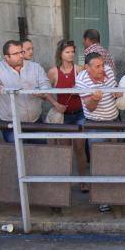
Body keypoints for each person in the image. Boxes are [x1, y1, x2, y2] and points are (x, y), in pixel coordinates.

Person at [0, 40, 53, 143]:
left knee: (40, 150)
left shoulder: (35, 67)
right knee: (18, 150)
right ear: (6, 57)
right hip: (10, 123)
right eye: (16, 53)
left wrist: (42, 91)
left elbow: (46, 84)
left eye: (21, 52)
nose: (20, 56)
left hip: (35, 121)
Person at [76, 52, 119, 212]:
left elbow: (115, 91)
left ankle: (116, 195)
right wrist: (95, 98)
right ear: (87, 68)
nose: (102, 69)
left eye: (102, 65)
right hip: (95, 124)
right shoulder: (81, 80)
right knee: (99, 162)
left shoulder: (108, 71)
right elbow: (90, 107)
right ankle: (102, 200)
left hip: (114, 122)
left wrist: (117, 94)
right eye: (98, 66)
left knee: (114, 160)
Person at [47, 39, 87, 188]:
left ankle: (84, 182)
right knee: (65, 150)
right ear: (60, 54)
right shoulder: (53, 72)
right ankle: (65, 185)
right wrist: (55, 104)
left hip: (80, 114)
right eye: (67, 52)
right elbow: (45, 91)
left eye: (72, 52)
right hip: (64, 116)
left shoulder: (79, 69)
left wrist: (80, 90)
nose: (71, 54)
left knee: (80, 149)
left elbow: (88, 89)